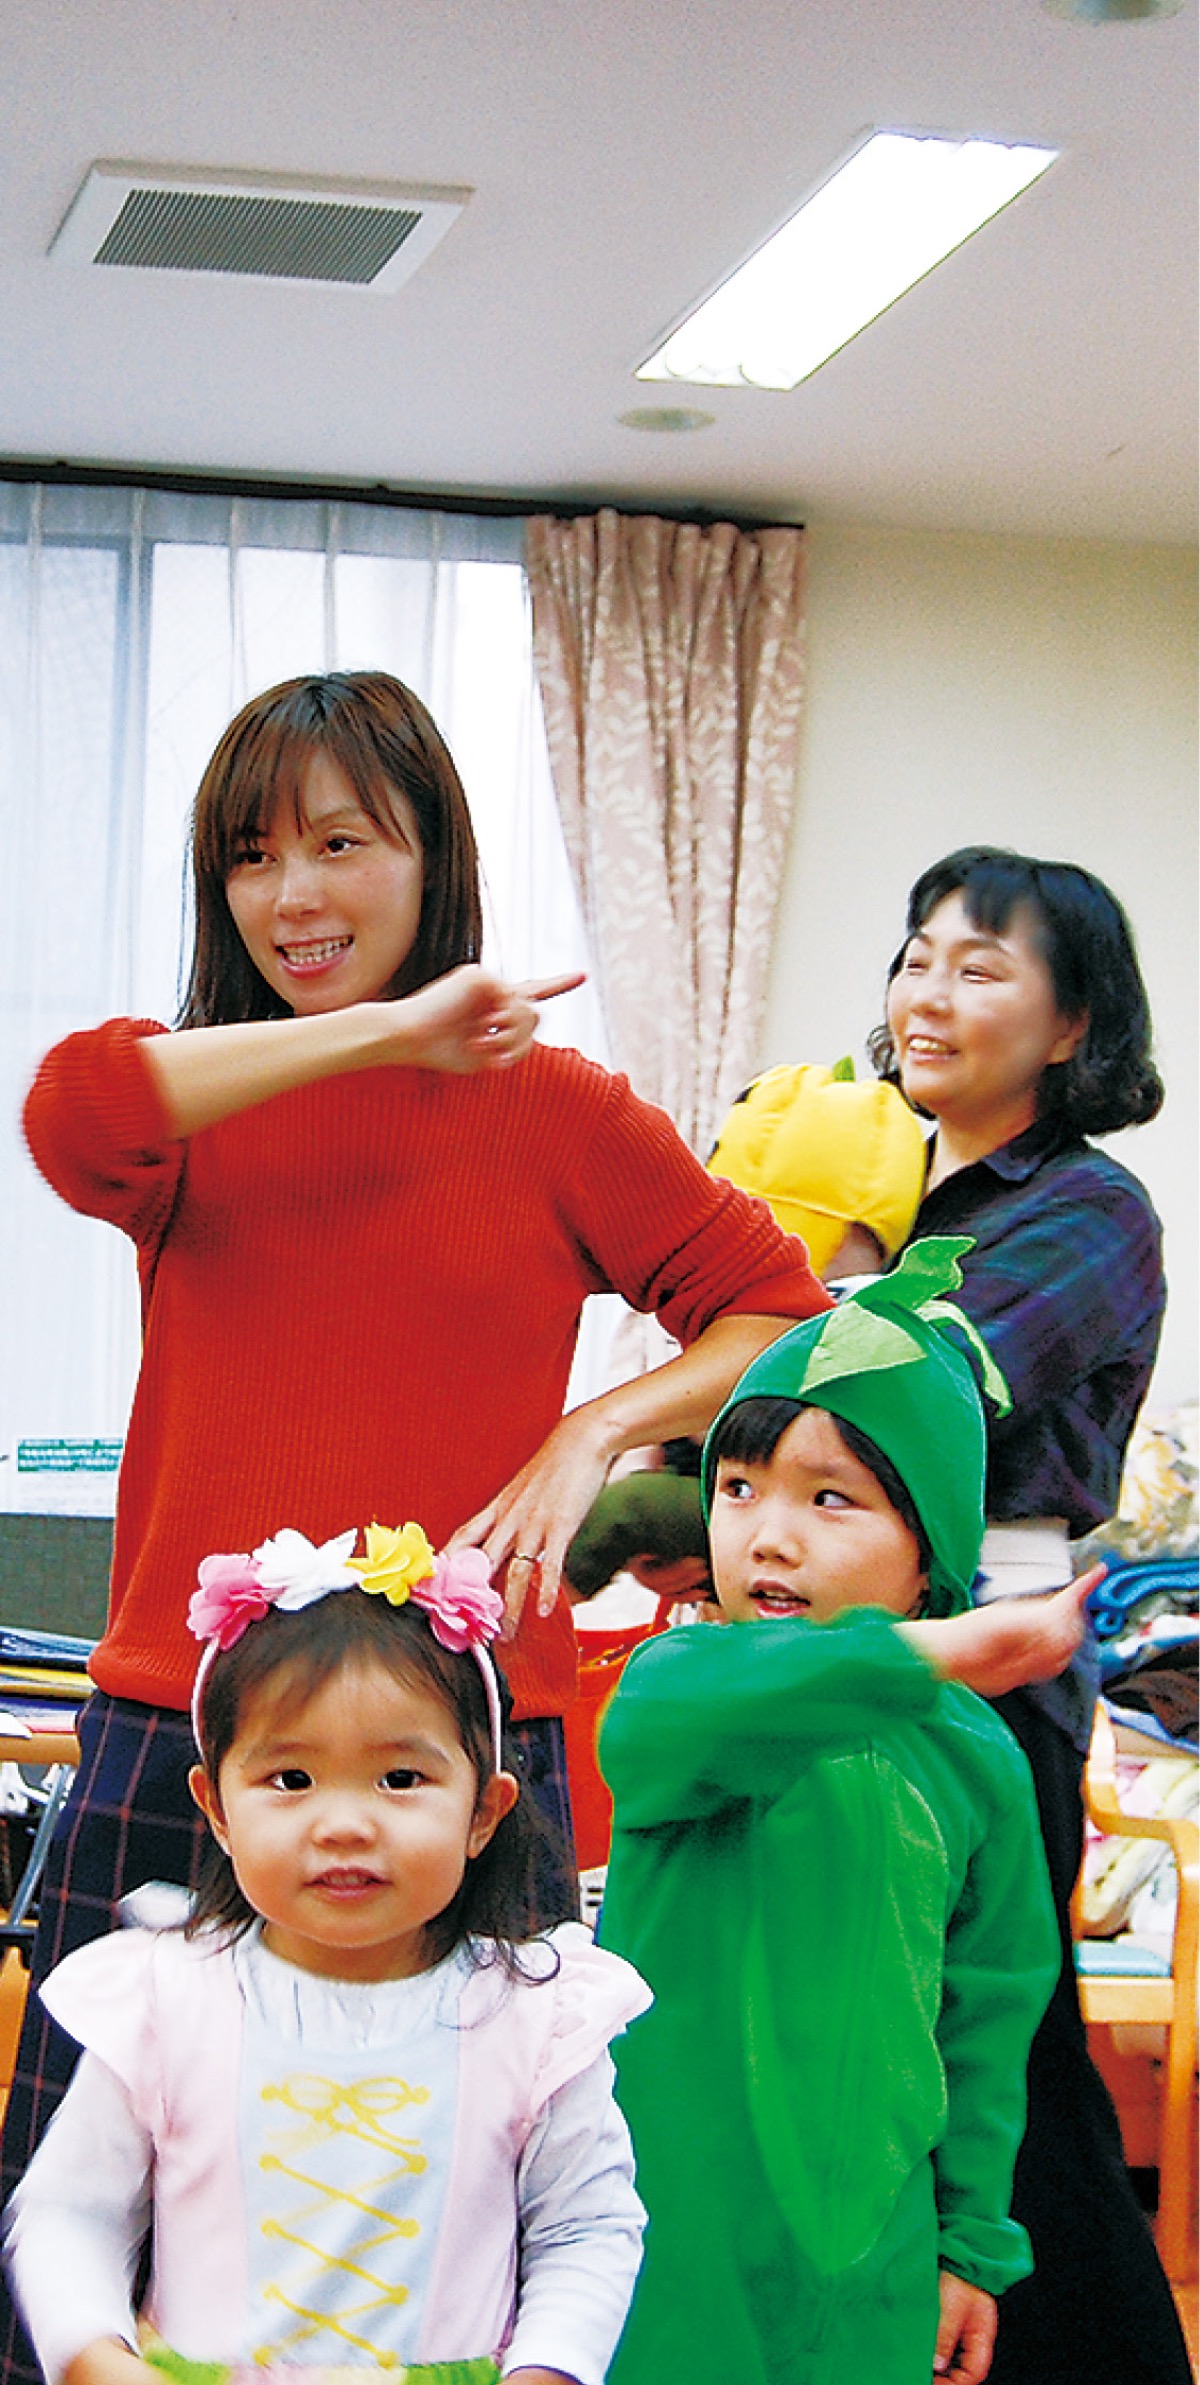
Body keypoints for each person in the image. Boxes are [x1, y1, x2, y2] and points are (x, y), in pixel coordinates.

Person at [5, 672, 828, 2385]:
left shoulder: (562, 1110)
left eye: (339, 843)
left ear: (432, 852)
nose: (292, 894)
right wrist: (393, 1032)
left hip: (461, 1746)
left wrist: (595, 1429)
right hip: (185, 1739)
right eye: (250, 858)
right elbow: (72, 1111)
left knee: (464, 2237)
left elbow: (781, 1312)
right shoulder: (189, 1105)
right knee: (88, 2239)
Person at [597, 1243, 1093, 2385]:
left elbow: (991, 2012)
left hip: (876, 2258)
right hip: (670, 2252)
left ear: (930, 1553)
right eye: (738, 1488)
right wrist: (941, 1652)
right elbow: (711, 1711)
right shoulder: (682, 1687)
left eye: (832, 1499)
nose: (768, 1535)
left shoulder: (977, 1759)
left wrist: (969, 2243)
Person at [4, 1521, 651, 2384]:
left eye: (401, 1779)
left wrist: (549, 2367)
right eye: (292, 1779)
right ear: (217, 1808)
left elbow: (585, 2226)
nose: (344, 1824)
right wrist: (93, 2352)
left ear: (484, 1812)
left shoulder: (538, 2018)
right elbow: (69, 2209)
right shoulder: (165, 1998)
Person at [871, 846, 1189, 2385]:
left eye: (980, 966)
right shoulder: (887, 1193)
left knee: (1006, 2073)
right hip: (864, 1661)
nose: (928, 993)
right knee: (894, 2057)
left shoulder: (1090, 1210)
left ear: (1073, 1026)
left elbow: (908, 1390)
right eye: (916, 957)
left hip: (990, 1683)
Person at [562, 1057, 927, 1608]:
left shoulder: (864, 1314)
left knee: (632, 1508)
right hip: (724, 1493)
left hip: (795, 1510)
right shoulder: (723, 1293)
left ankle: (528, 1611)